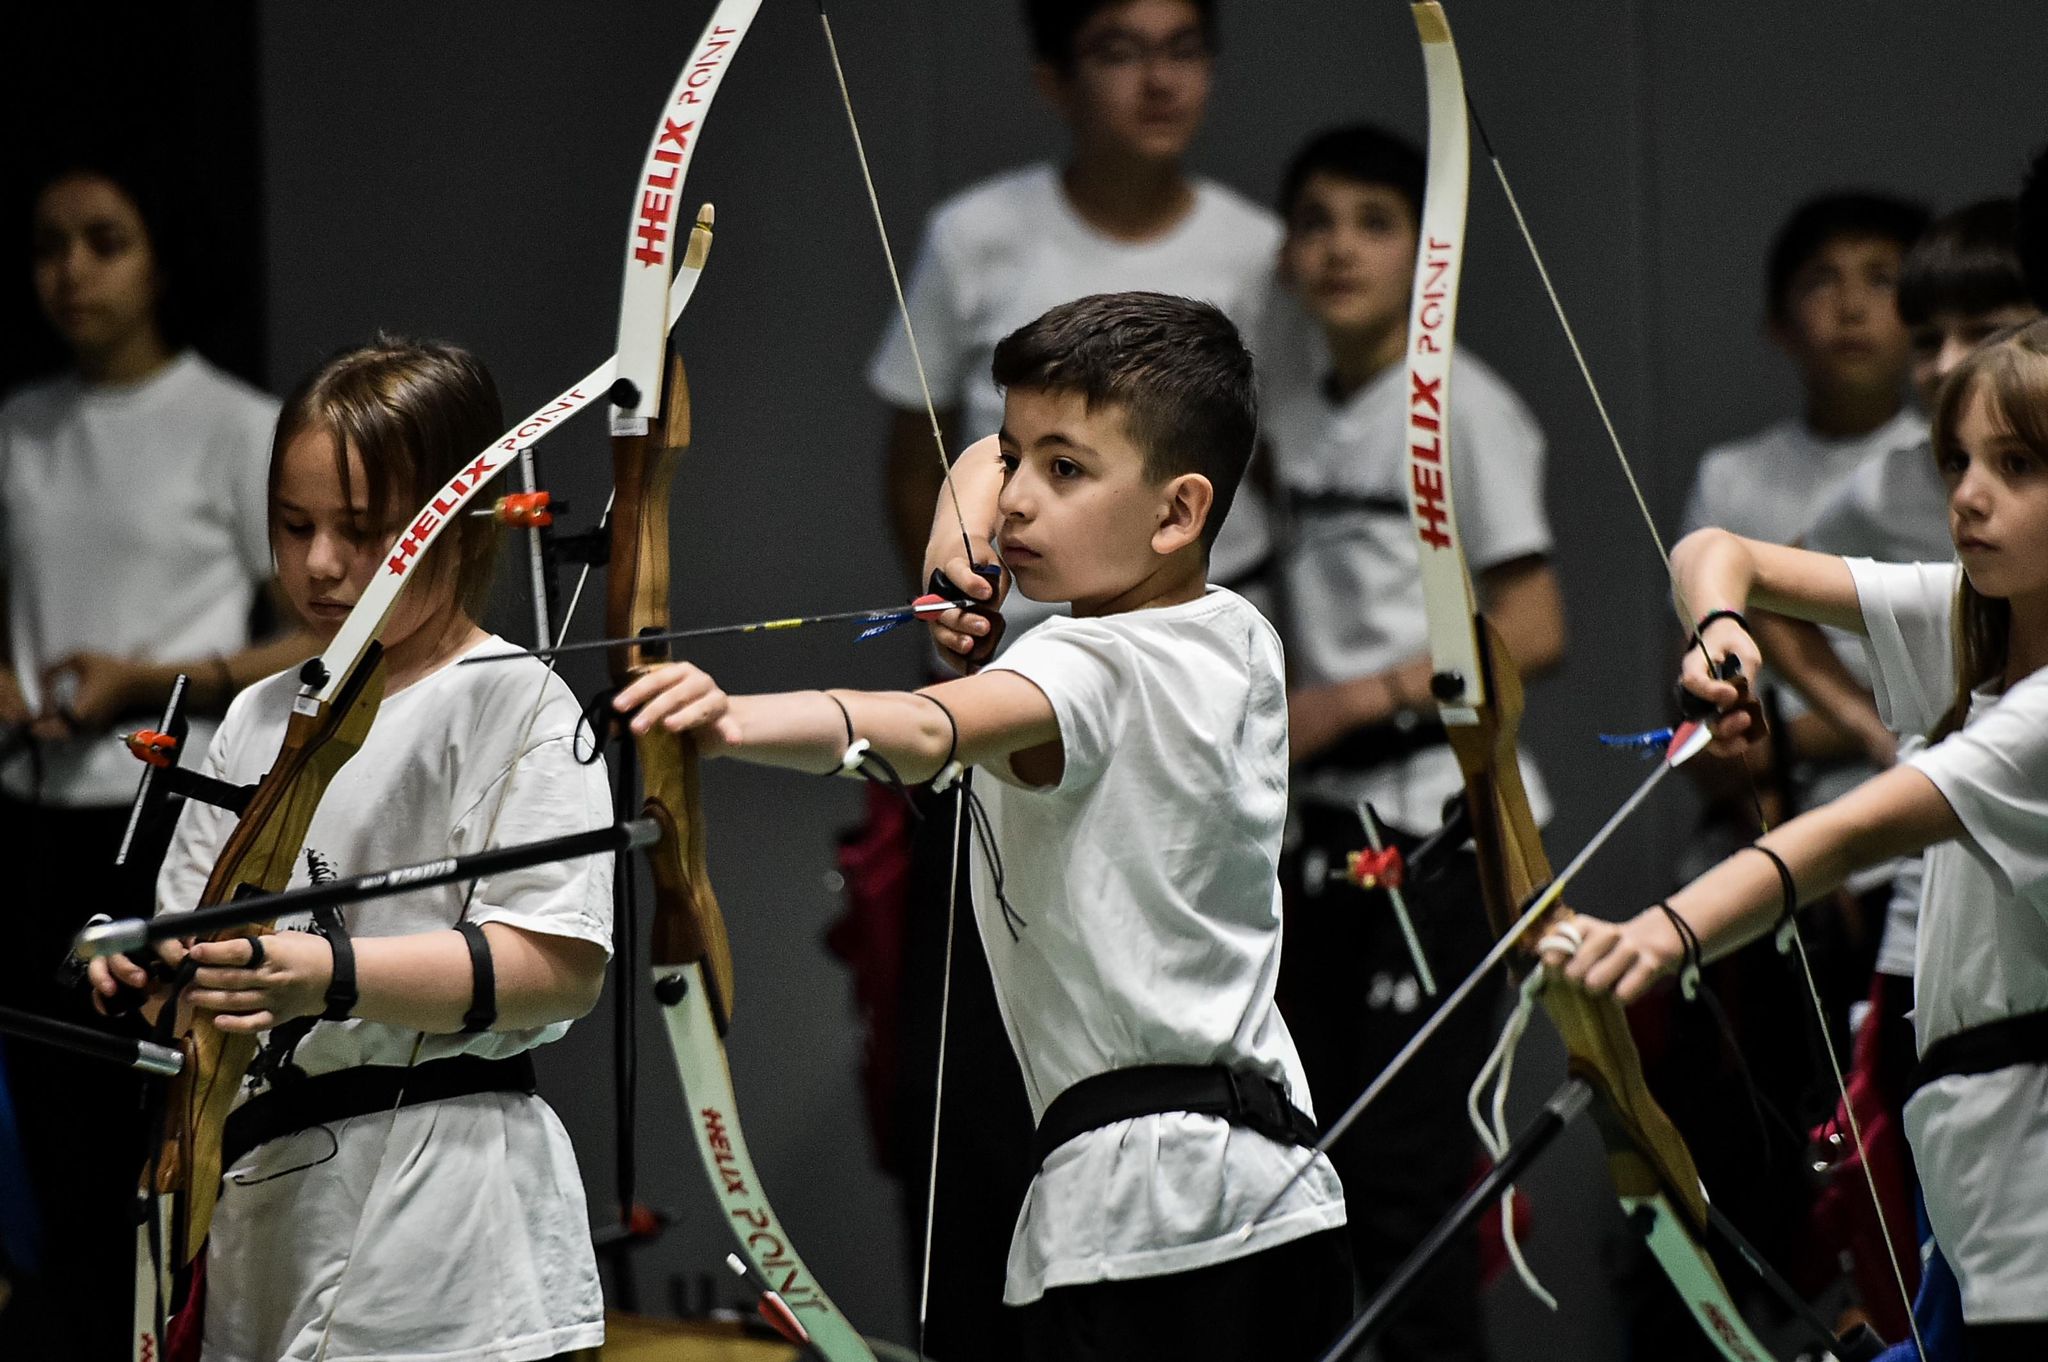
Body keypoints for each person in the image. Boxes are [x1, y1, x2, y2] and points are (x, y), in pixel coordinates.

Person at [623, 293, 1350, 1362]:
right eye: (1019, 460)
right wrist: (948, 557)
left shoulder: (1089, 661)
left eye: (1063, 471)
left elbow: (922, 728)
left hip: (1157, 1223)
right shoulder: (1231, 634)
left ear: (1176, 512)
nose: (1013, 498)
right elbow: (973, 450)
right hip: (1269, 1199)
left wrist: (727, 722)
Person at [855, 6, 1282, 1348]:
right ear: (1053, 74)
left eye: (1184, 42)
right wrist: (954, 552)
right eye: (1117, 46)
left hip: (1192, 699)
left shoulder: (1257, 251)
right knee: (979, 1068)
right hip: (1030, 680)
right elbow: (983, 444)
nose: (1158, 75)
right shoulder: (983, 234)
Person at [90, 338, 612, 1362]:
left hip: (456, 1250)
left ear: (458, 528)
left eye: (365, 533)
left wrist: (324, 974)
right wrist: (144, 971)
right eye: (295, 528)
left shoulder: (515, 700)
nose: (322, 563)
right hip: (270, 1226)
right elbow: (198, 976)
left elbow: (555, 965)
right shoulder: (252, 718)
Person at [1550, 317, 2048, 1362]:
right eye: (1954, 459)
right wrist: (1717, 629)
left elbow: (1841, 835)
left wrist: (1661, 934)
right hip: (1974, 1169)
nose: (1965, 494)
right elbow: (1713, 549)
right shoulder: (1971, 617)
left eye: (2016, 465)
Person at [1252, 123, 1561, 1362]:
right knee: (1303, 1169)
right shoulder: (1291, 406)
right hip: (1319, 829)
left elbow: (1530, 626)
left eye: (1373, 222)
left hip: (1431, 827)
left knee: (1404, 1177)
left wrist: (1352, 698)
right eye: (1315, 220)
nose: (1337, 248)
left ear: (1425, 252)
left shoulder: (1460, 407)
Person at [0, 158, 312, 1361]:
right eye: (48, 243)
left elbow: (314, 615)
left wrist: (160, 683)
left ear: (161, 260)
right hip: (34, 807)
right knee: (49, 1127)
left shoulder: (232, 423)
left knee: (155, 1112)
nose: (71, 269)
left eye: (103, 240)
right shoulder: (23, 423)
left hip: (165, 808)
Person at [1751, 199, 2043, 1339]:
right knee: (1912, 1270)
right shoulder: (1949, 590)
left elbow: (1833, 838)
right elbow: (1736, 568)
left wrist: (1657, 937)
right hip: (1932, 957)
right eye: (1925, 337)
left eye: (1982, 326)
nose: (1943, 362)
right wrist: (1868, 728)